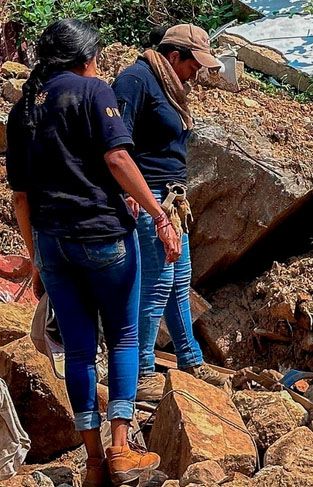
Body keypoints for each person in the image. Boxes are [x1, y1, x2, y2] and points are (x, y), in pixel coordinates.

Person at [6, 19, 181, 486]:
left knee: (79, 349)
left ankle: (94, 462)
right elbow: (118, 158)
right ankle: (122, 451)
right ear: (85, 57)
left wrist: (36, 257)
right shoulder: (92, 91)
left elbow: (20, 198)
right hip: (103, 237)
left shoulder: (23, 109)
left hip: (53, 243)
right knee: (124, 335)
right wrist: (160, 217)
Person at [113, 24, 226, 401]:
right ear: (173, 56)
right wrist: (128, 193)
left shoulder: (171, 87)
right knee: (156, 283)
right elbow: (117, 143)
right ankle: (143, 371)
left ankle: (191, 360)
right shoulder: (135, 80)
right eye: (194, 64)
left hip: (173, 197)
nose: (198, 73)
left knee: (179, 281)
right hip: (149, 196)